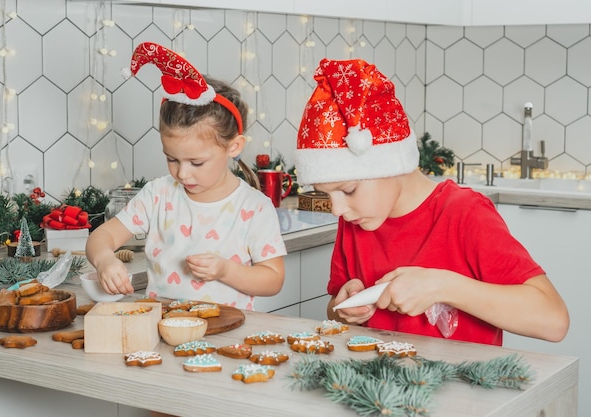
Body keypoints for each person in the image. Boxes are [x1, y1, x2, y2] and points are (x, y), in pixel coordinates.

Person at [294, 58, 569, 346]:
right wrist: (345, 309)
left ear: (389, 164)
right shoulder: (355, 220)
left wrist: (443, 286)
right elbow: (333, 310)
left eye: (348, 190)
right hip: (377, 387)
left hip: (463, 386)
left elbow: (554, 321)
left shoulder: (465, 213)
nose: (337, 209)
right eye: (327, 195)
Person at [86, 42, 286, 312]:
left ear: (234, 147)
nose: (182, 173)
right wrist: (104, 260)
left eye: (196, 162)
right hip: (163, 327)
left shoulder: (254, 207)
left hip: (229, 334)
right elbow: (102, 237)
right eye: (172, 159)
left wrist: (226, 271)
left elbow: (273, 280)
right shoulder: (159, 195)